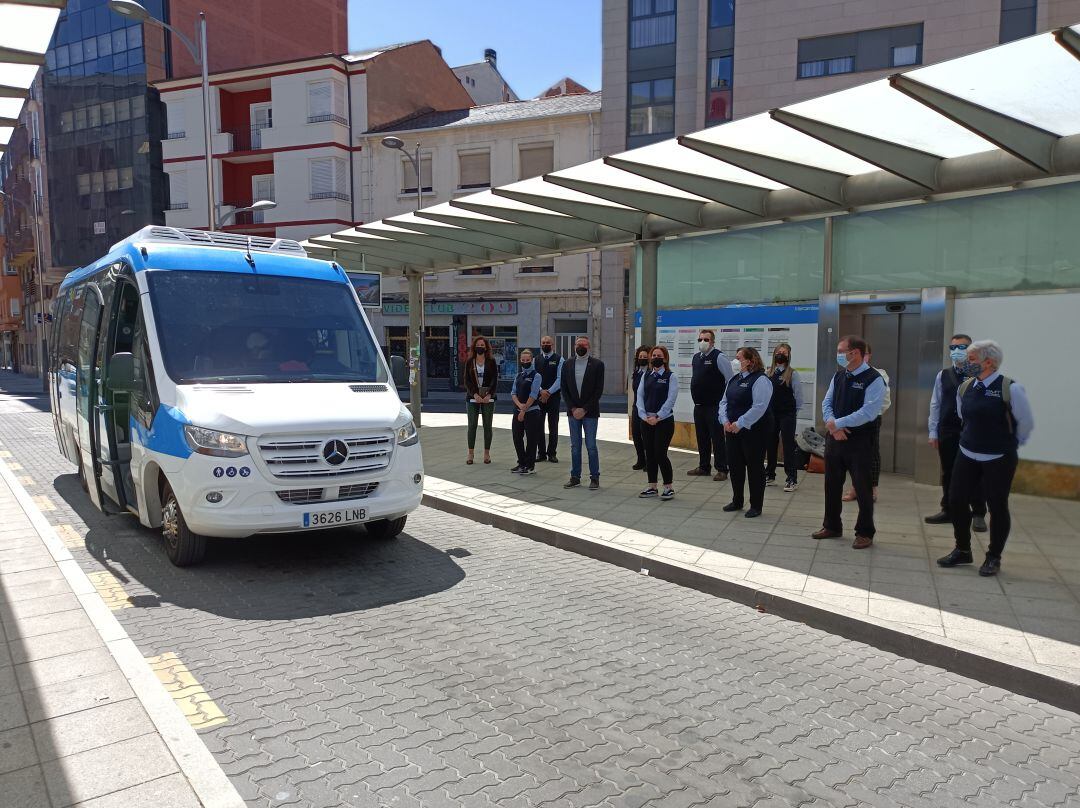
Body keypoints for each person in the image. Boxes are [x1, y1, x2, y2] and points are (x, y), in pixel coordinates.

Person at [937, 340, 1034, 577]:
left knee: (997, 506)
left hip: (999, 457)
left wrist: (1010, 444)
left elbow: (1025, 423)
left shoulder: (1010, 388)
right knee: (957, 500)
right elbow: (963, 415)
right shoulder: (966, 387)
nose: (965, 363)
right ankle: (962, 549)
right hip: (968, 452)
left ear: (988, 362)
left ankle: (993, 556)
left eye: (971, 359)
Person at [813, 335, 886, 549]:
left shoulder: (874, 379)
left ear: (854, 353)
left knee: (862, 489)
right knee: (832, 486)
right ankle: (832, 526)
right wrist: (831, 424)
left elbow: (869, 412)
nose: (839, 355)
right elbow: (827, 402)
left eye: (841, 351)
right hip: (836, 440)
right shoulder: (839, 376)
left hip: (860, 441)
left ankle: (865, 532)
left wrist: (837, 423)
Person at [925, 333, 987, 533]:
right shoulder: (943, 375)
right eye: (953, 348)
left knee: (976, 472)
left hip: (973, 431)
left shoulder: (979, 373)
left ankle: (978, 513)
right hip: (947, 430)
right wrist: (933, 432)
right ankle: (949, 509)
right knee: (949, 471)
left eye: (962, 347)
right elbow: (936, 403)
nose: (956, 351)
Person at [719, 347, 774, 518]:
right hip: (732, 429)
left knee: (754, 468)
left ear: (750, 361)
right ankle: (737, 500)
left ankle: (756, 505)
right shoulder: (734, 379)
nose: (735, 362)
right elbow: (723, 402)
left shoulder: (761, 380)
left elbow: (759, 406)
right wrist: (725, 420)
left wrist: (741, 423)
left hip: (754, 431)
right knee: (735, 466)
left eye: (739, 358)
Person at [844, 343, 890, 503]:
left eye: (864, 354)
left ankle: (872, 488)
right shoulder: (848, 374)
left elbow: (884, 401)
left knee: (871, 453)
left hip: (871, 419)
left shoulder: (879, 375)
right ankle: (855, 488)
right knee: (853, 455)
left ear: (868, 355)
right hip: (851, 419)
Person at [687, 329, 733, 481]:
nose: (703, 342)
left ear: (712, 341)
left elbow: (730, 380)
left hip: (714, 406)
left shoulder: (719, 357)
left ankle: (722, 469)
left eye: (706, 340)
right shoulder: (696, 358)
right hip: (699, 406)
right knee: (702, 438)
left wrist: (724, 403)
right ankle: (704, 466)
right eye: (700, 339)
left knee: (717, 438)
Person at [561, 336, 604, 490]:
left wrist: (584, 409)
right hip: (573, 412)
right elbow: (564, 389)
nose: (581, 347)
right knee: (575, 446)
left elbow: (598, 391)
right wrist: (573, 408)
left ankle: (594, 477)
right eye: (579, 344)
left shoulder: (598, 365)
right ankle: (575, 477)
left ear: (589, 347)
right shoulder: (567, 364)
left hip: (590, 412)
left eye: (584, 344)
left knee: (591, 445)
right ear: (574, 347)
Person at [637, 346, 679, 500]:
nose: (655, 357)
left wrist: (658, 416)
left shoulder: (670, 377)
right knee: (650, 454)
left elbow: (670, 400)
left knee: (660, 453)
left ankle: (668, 487)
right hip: (646, 421)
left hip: (664, 421)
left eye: (659, 355)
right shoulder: (646, 375)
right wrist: (643, 415)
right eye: (653, 355)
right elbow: (640, 396)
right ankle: (652, 486)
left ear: (665, 358)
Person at [764, 342, 803, 493]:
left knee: (788, 445)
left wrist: (793, 413)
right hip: (772, 414)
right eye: (779, 352)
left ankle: (791, 478)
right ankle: (770, 475)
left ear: (788, 356)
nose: (781, 355)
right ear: (774, 354)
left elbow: (799, 398)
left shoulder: (792, 374)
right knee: (770, 444)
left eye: (784, 353)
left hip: (787, 415)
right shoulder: (769, 373)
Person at [463, 336, 497, 465]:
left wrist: (489, 394)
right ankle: (470, 453)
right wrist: (475, 394)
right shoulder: (470, 361)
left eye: (483, 345)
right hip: (473, 398)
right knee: (472, 425)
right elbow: (467, 380)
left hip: (488, 397)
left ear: (486, 347)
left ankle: (486, 453)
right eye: (478, 345)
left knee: (487, 426)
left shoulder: (491, 361)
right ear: (474, 347)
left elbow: (495, 379)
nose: (480, 347)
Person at [510, 348, 543, 475]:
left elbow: (533, 394)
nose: (525, 362)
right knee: (517, 437)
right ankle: (521, 463)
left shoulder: (537, 376)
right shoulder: (518, 375)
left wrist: (524, 410)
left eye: (527, 360)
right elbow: (513, 393)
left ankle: (530, 465)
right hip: (518, 410)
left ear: (532, 360)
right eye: (523, 360)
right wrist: (519, 406)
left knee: (531, 439)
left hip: (532, 412)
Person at [534, 336, 564, 464]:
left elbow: (560, 379)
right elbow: (534, 377)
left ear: (553, 345)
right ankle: (541, 453)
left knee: (553, 426)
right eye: (543, 343)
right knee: (539, 426)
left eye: (548, 343)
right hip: (539, 396)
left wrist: (549, 392)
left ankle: (552, 453)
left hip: (553, 397)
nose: (545, 345)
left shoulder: (559, 359)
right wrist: (541, 391)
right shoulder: (536, 359)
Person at [630, 345, 651, 471]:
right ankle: (641, 459)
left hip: (647, 408)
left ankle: (650, 461)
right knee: (636, 435)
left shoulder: (651, 373)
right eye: (640, 357)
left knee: (647, 436)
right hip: (636, 407)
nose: (642, 359)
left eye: (645, 357)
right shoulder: (637, 372)